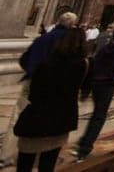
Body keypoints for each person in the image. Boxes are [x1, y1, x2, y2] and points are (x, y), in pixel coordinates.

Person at [1, 12, 78, 168]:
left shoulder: (44, 38)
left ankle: (8, 154)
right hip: (55, 87)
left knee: (21, 115)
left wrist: (33, 72)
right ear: (72, 26)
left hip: (33, 82)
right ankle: (43, 156)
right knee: (52, 119)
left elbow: (24, 59)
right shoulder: (67, 42)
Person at [14, 28, 88, 172]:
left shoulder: (45, 64)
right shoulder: (82, 65)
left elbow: (33, 93)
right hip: (61, 119)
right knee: (48, 163)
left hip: (37, 117)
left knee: (24, 164)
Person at [72, 25, 114, 161]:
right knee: (99, 116)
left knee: (96, 114)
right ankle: (84, 147)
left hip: (95, 83)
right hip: (107, 84)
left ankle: (83, 142)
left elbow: (95, 62)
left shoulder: (105, 48)